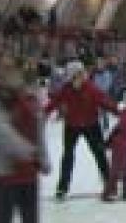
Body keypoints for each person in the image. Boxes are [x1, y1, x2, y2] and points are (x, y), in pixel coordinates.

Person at [0, 57, 50, 223]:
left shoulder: (30, 96)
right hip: (3, 173)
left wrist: (43, 157)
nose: (9, 73)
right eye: (4, 69)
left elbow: (39, 129)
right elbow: (0, 132)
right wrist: (30, 151)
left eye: (12, 69)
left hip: (28, 173)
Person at [44, 60, 118, 200]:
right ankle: (62, 188)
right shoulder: (66, 89)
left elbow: (105, 102)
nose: (81, 77)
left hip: (91, 125)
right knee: (68, 156)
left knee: (100, 154)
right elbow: (53, 103)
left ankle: (110, 185)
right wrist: (42, 115)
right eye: (77, 75)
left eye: (82, 74)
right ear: (71, 77)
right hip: (72, 126)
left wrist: (119, 112)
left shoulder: (91, 88)